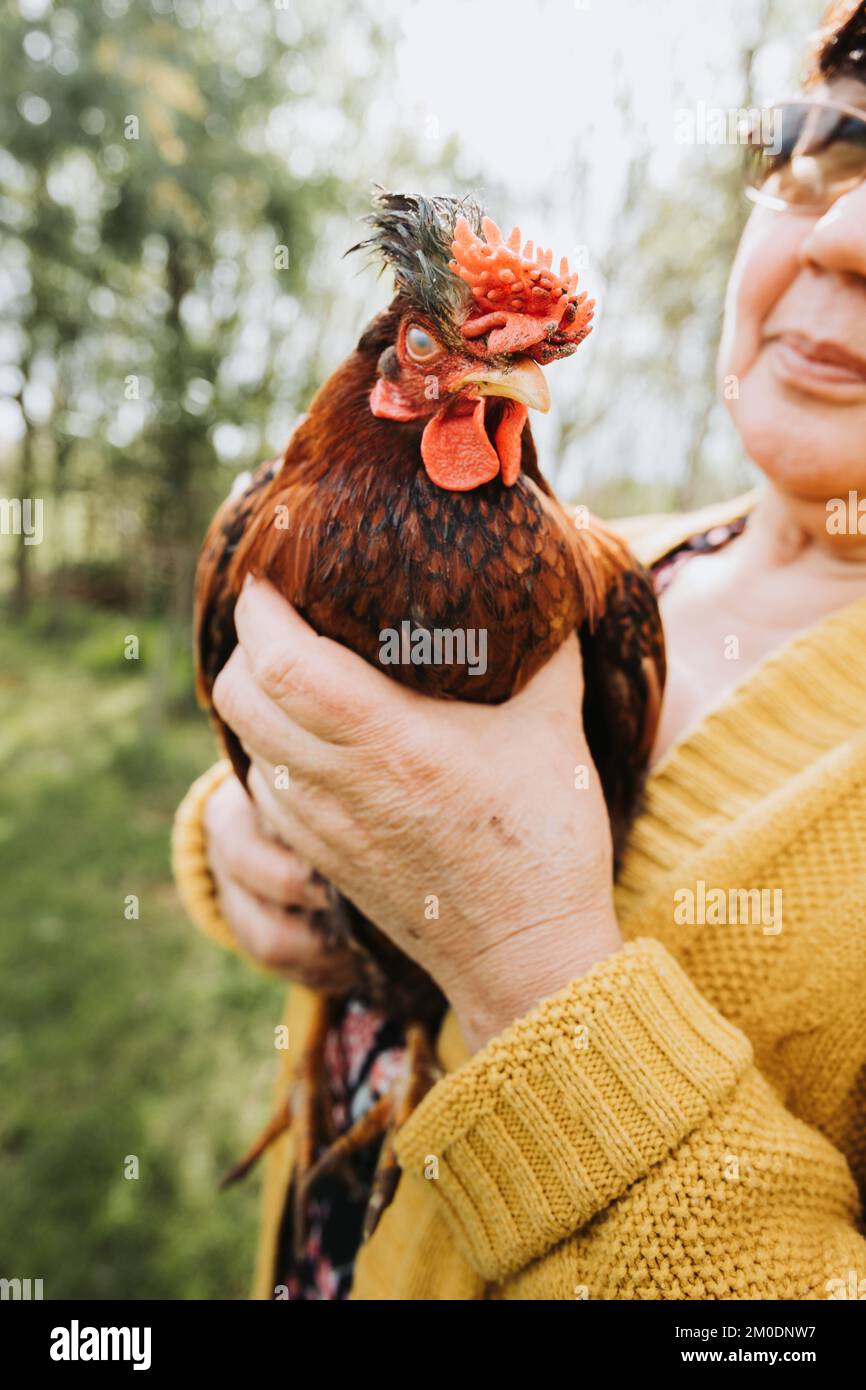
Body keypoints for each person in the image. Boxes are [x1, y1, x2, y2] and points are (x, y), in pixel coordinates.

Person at [172, 0, 866, 1299]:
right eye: (822, 147)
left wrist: (525, 964)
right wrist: (250, 820)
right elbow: (365, 774)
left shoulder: (585, 580)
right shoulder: (637, 549)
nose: (843, 229)